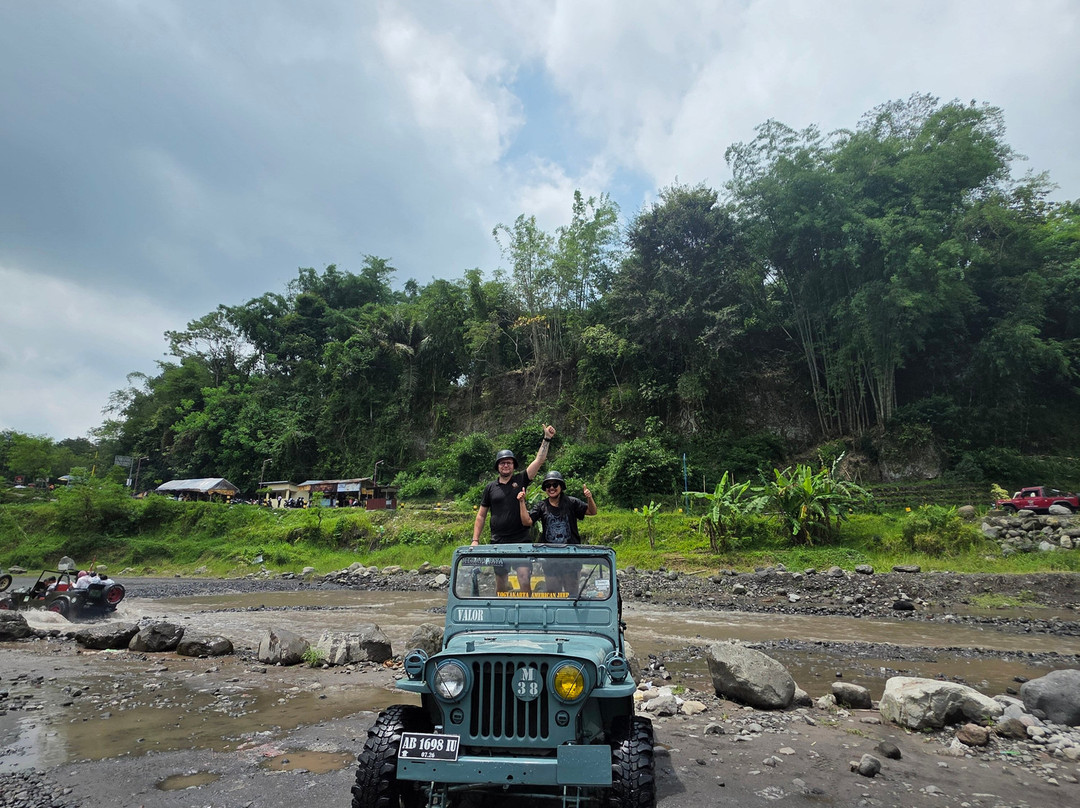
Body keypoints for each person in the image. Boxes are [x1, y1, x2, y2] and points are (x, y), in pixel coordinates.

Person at [472, 424, 557, 593]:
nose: (506, 465)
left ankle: (526, 609)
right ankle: (502, 609)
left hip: (520, 540)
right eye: (502, 463)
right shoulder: (490, 488)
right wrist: (475, 539)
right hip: (498, 541)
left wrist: (546, 438)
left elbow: (539, 460)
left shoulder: (521, 479)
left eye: (509, 463)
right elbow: (481, 515)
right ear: (498, 466)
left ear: (513, 465)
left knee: (524, 578)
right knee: (501, 582)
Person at [518, 470, 597, 595]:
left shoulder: (572, 502)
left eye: (555, 484)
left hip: (571, 556)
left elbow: (592, 511)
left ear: (561, 486)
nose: (551, 488)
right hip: (550, 557)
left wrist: (589, 497)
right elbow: (526, 522)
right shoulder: (541, 506)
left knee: (572, 592)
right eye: (548, 485)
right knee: (553, 593)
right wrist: (522, 502)